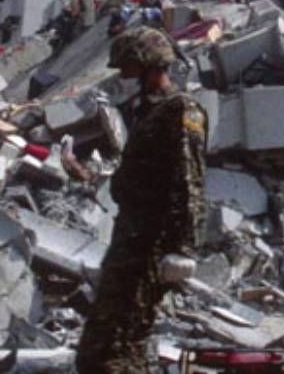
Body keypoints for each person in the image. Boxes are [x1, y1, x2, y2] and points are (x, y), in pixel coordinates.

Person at [75, 27, 208, 374]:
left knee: (117, 348)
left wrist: (183, 247)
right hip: (130, 240)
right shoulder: (148, 111)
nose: (123, 77)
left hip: (150, 245)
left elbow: (189, 178)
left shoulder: (180, 110)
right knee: (103, 344)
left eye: (128, 69)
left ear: (150, 65)